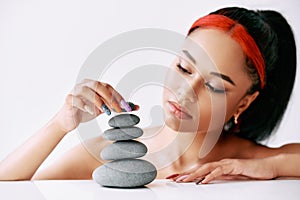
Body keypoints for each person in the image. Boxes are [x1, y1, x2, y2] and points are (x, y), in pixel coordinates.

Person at [0, 7, 299, 184]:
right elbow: (9, 188)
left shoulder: (249, 162)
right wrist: (59, 125)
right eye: (183, 67)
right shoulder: (109, 154)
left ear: (245, 102)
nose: (186, 91)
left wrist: (271, 167)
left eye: (214, 86)